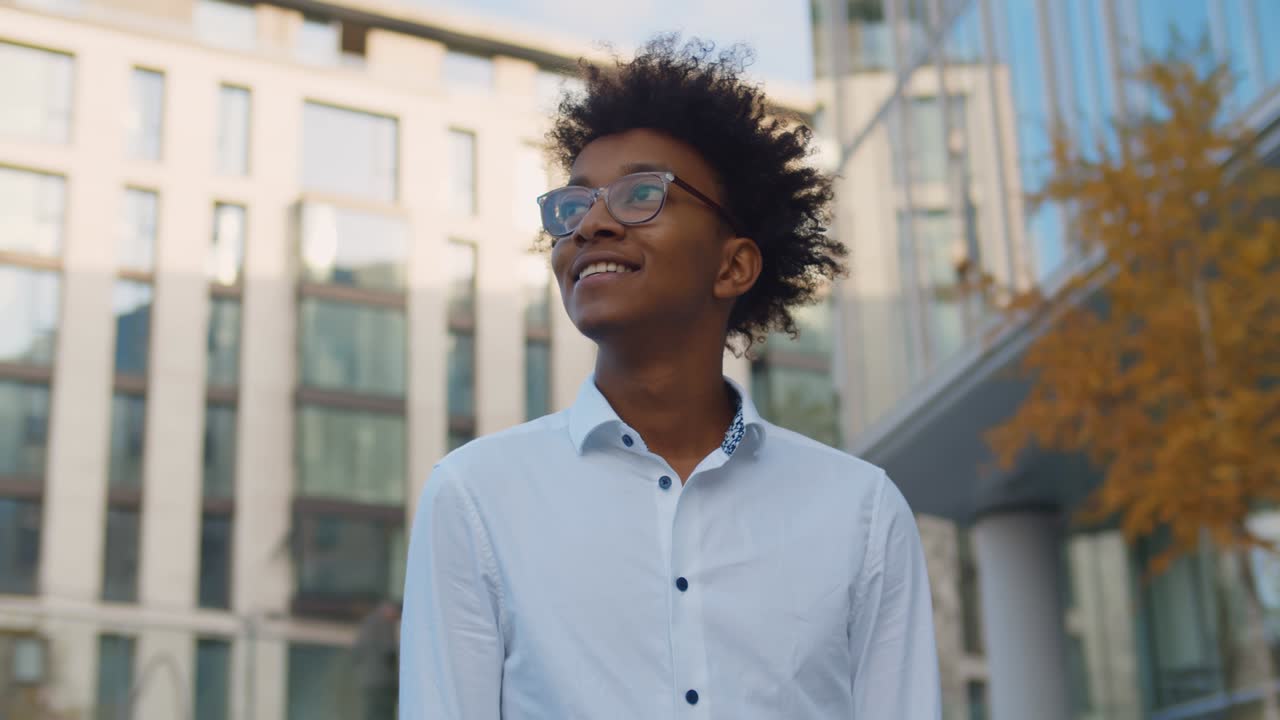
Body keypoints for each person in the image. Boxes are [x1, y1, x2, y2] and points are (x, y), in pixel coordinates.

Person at [400, 36, 941, 719]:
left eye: (639, 195)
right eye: (571, 206)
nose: (590, 224)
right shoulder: (475, 497)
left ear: (733, 267)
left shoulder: (861, 514)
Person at [353, 600, 400, 720]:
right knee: (384, 714)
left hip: (367, 681)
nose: (397, 620)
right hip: (383, 681)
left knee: (371, 713)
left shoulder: (367, 623)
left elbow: (357, 654)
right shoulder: (383, 623)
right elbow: (388, 651)